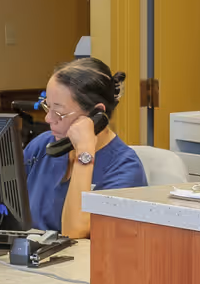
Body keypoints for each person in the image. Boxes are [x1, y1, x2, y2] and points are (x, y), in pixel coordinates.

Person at [23, 58, 147, 238]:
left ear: (96, 114)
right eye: (47, 107)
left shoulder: (125, 169)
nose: (49, 119)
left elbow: (75, 233)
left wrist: (85, 152)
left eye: (59, 112)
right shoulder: (42, 146)